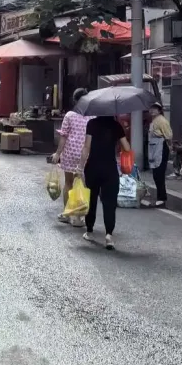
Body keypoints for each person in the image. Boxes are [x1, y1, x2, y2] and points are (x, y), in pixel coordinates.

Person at [80, 111, 131, 250]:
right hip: (110, 169)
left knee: (91, 199)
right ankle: (109, 235)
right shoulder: (116, 126)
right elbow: (127, 148)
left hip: (93, 167)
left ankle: (89, 231)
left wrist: (80, 167)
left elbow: (86, 147)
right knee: (109, 202)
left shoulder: (92, 124)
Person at [49, 88, 89, 221]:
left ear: (74, 100)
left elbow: (63, 137)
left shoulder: (69, 116)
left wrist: (57, 153)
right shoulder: (92, 117)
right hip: (85, 154)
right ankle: (79, 216)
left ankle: (67, 214)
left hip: (70, 153)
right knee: (81, 182)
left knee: (68, 182)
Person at [147, 103, 173, 207]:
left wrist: (170, 147)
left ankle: (162, 198)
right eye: (151, 108)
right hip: (155, 148)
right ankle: (160, 197)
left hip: (161, 147)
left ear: (159, 110)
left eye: (155, 108)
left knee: (159, 173)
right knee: (156, 173)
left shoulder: (162, 121)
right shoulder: (154, 121)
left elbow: (169, 136)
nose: (152, 110)